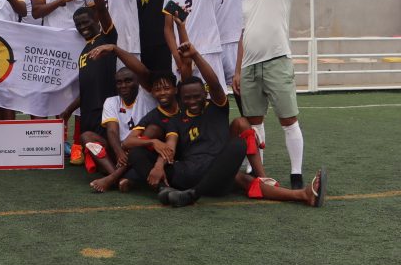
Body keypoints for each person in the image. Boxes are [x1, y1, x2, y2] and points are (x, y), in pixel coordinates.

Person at [125, 39, 325, 209]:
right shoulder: (176, 120)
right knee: (136, 152)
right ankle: (164, 190)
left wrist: (195, 56)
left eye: (197, 96)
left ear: (205, 95)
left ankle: (303, 194)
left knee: (239, 147)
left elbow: (214, 83)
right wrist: (159, 163)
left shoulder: (216, 108)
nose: (192, 101)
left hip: (217, 173)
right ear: (181, 98)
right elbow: (170, 146)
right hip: (186, 173)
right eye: (187, 98)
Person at [228, 0, 308, 189]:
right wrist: (238, 70)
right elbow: (243, 35)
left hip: (276, 61)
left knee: (289, 120)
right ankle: (256, 168)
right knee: (254, 122)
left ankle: (296, 175)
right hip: (249, 68)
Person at [58, 0, 116, 165]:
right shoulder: (83, 52)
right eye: (78, 24)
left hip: (105, 111)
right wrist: (70, 109)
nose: (82, 26)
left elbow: (100, 7)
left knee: (108, 153)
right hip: (88, 114)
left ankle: (115, 175)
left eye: (85, 22)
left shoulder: (107, 38)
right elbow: (86, 89)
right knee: (92, 158)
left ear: (96, 20)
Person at [83, 47, 154, 193]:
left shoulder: (146, 96)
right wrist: (119, 151)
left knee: (137, 148)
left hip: (140, 149)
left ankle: (112, 178)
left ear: (138, 82)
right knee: (87, 136)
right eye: (119, 82)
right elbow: (112, 131)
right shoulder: (111, 101)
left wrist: (115, 49)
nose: (123, 85)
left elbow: (143, 72)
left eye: (128, 81)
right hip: (120, 152)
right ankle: (119, 178)